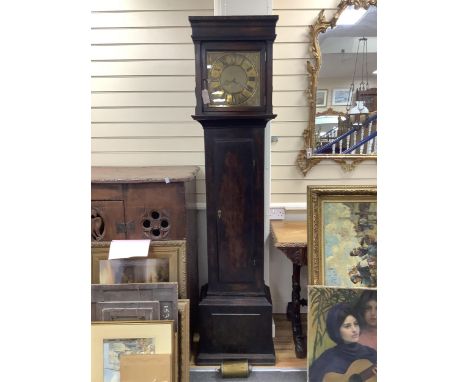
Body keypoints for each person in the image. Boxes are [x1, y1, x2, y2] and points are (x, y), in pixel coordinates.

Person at [308, 302, 377, 382]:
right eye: (347, 326)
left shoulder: (371, 354)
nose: (354, 330)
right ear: (337, 330)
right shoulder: (326, 359)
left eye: (356, 324)